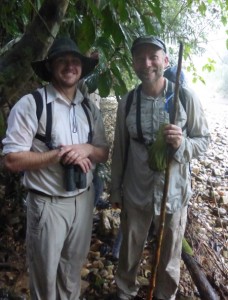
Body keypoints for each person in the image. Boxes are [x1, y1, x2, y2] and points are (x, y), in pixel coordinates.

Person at [2, 36, 109, 300]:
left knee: (72, 274)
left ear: (82, 68)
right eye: (63, 61)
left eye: (75, 61)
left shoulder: (87, 106)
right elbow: (11, 159)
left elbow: (103, 152)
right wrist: (58, 155)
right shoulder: (32, 105)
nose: (70, 66)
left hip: (83, 204)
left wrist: (85, 149)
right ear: (50, 66)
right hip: (47, 205)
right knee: (45, 280)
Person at [109, 35, 210, 300]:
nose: (147, 63)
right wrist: (115, 191)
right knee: (130, 254)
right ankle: (124, 293)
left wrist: (182, 144)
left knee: (169, 258)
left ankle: (165, 296)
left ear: (165, 60)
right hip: (136, 192)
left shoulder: (185, 98)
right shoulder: (128, 102)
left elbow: (203, 141)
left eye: (153, 56)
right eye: (140, 57)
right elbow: (120, 149)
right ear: (133, 63)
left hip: (174, 195)